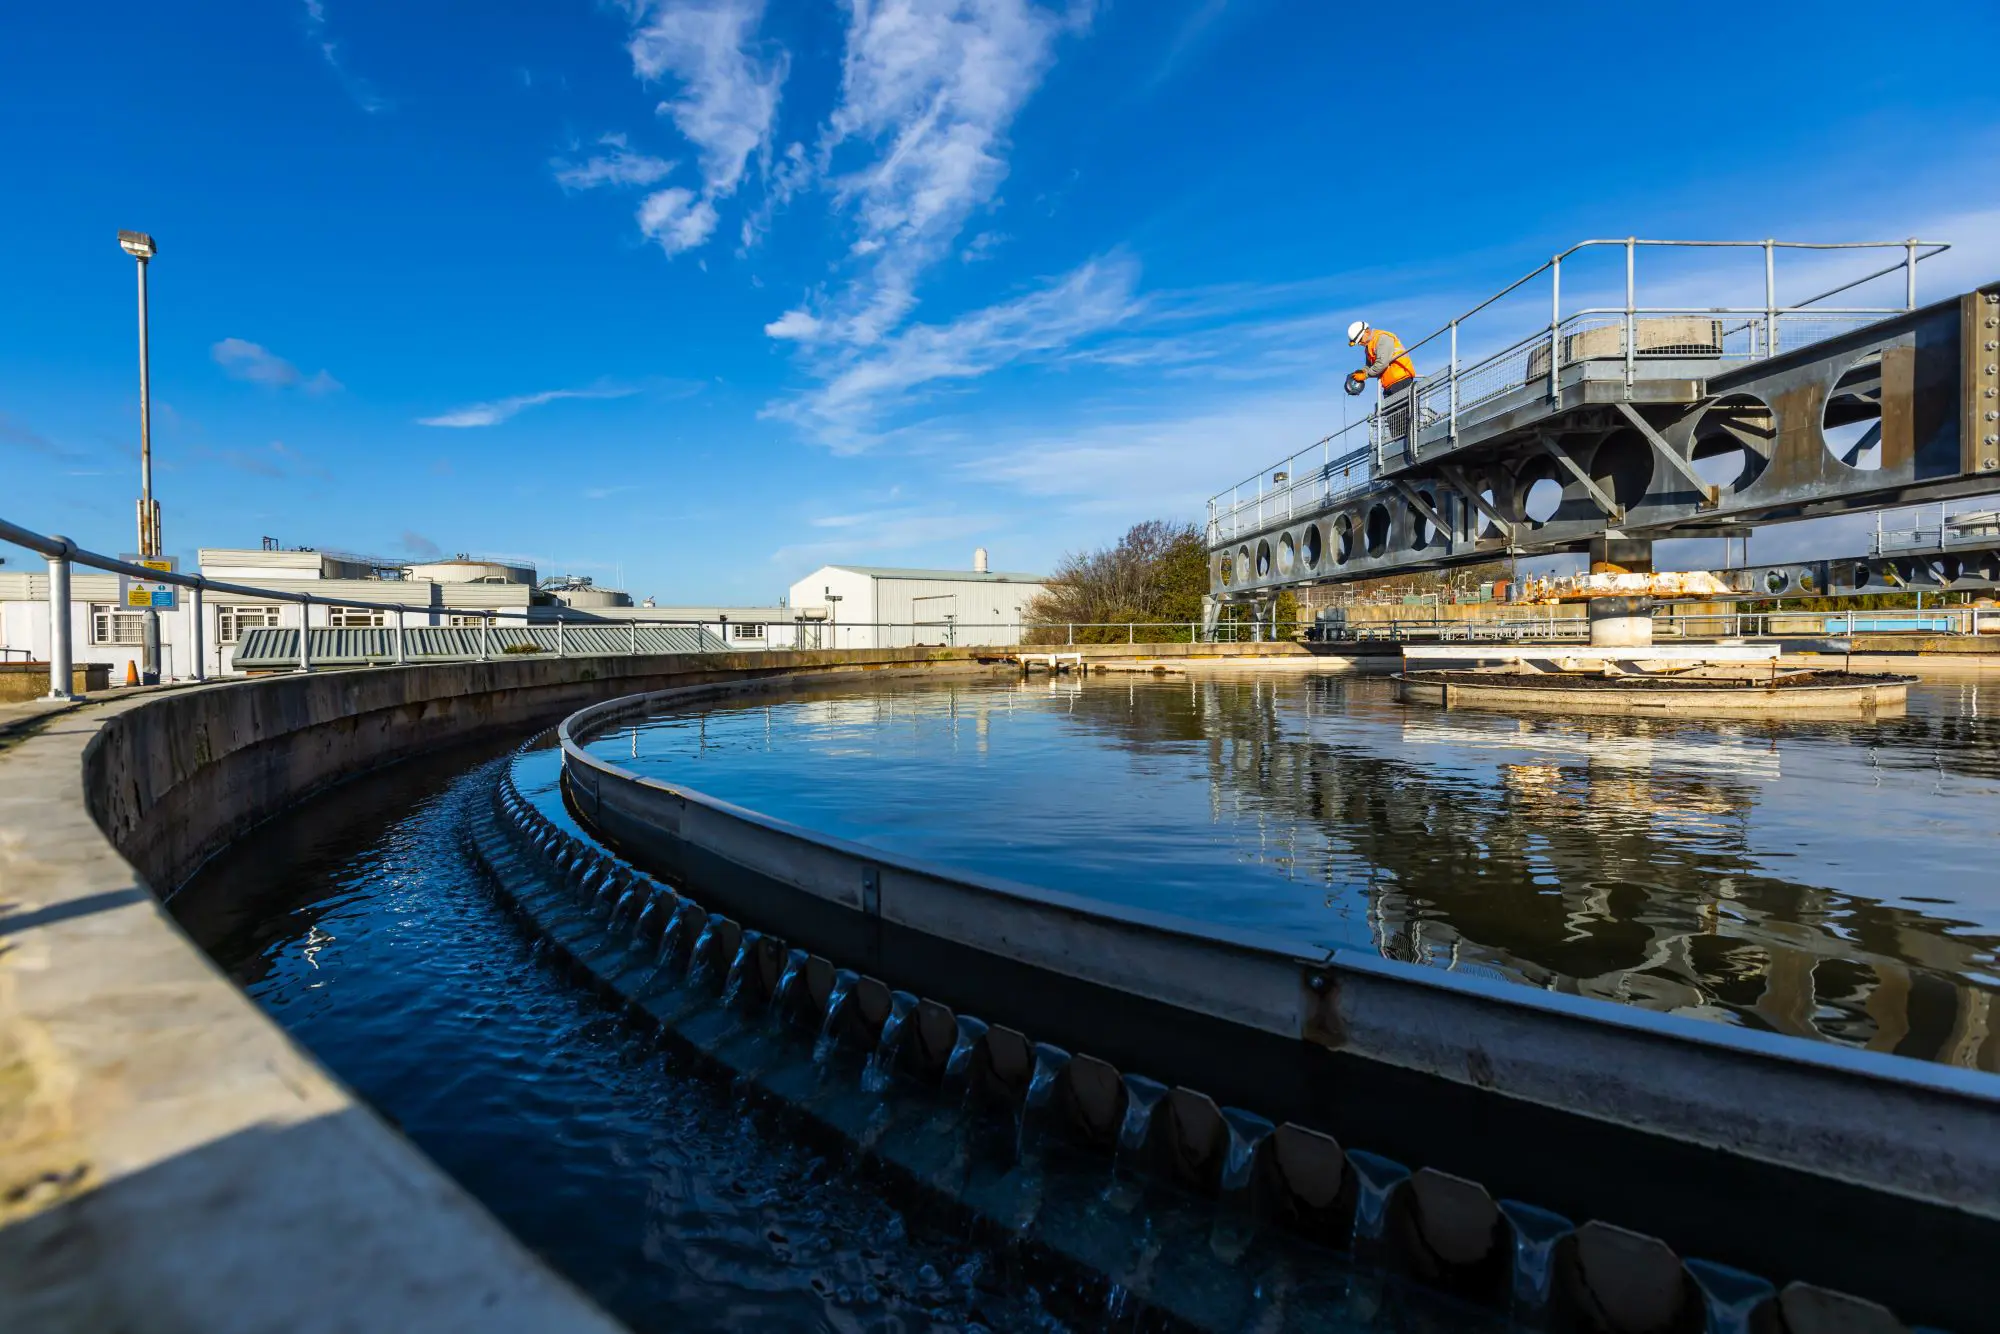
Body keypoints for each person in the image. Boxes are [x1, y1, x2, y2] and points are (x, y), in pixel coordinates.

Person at [1346, 319, 1416, 439]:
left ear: (1367, 332)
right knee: (1393, 420)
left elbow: (1381, 364)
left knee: (1404, 417)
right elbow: (1369, 366)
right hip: (1389, 385)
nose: (1360, 344)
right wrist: (1362, 372)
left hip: (1401, 380)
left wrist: (1366, 375)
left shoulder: (1382, 338)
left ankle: (1409, 442)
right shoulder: (1368, 347)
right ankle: (1398, 444)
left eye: (1360, 340)